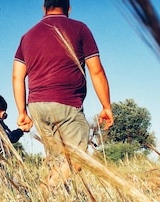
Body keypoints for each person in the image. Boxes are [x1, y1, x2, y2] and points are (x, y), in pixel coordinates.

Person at [13, 0, 113, 188]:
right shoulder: (80, 28)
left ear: (44, 8)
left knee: (58, 161)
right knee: (77, 159)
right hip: (66, 103)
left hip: (36, 106)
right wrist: (106, 106)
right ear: (69, 8)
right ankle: (41, 196)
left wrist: (22, 112)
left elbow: (17, 76)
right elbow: (96, 70)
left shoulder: (27, 36)